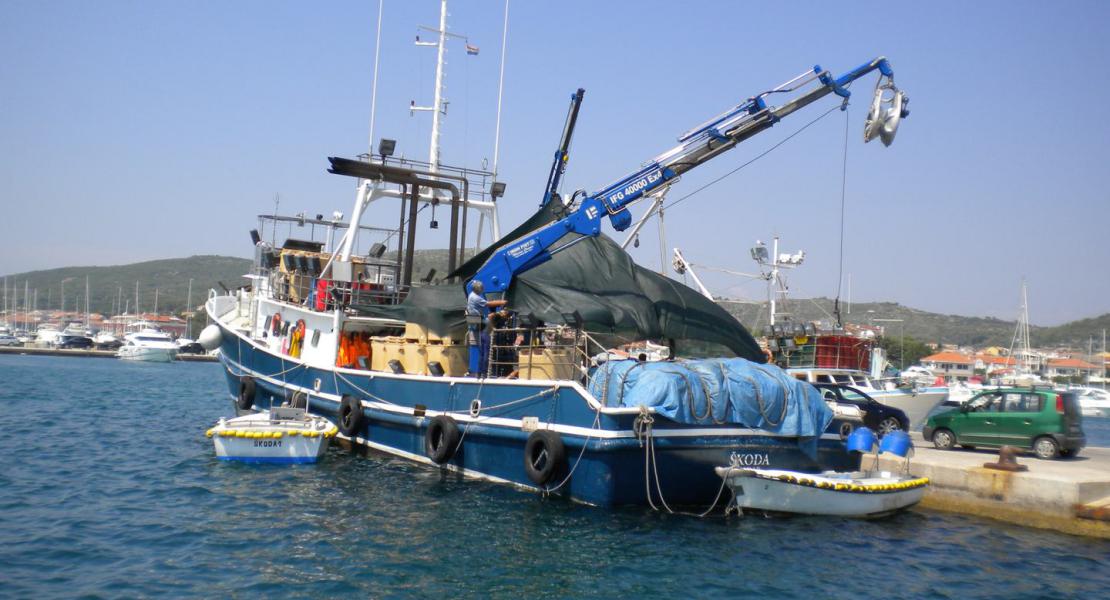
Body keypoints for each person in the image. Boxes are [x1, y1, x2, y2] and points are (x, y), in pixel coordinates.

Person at [465, 280, 506, 377]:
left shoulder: (471, 295)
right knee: (486, 349)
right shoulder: (476, 298)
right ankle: (484, 372)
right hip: (482, 325)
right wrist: (502, 302)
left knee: (481, 350)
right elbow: (488, 304)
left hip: (476, 323)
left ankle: (479, 372)